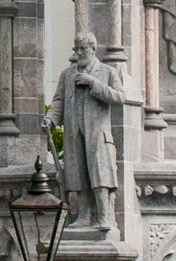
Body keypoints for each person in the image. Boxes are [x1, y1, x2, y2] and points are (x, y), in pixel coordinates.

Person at [46, 31, 126, 234]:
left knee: (100, 174)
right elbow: (58, 101)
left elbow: (119, 97)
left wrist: (93, 84)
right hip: (74, 133)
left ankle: (103, 215)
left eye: (83, 48)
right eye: (76, 49)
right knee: (77, 174)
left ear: (93, 48)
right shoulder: (68, 74)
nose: (79, 53)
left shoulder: (106, 72)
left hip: (98, 134)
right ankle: (83, 215)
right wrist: (51, 118)